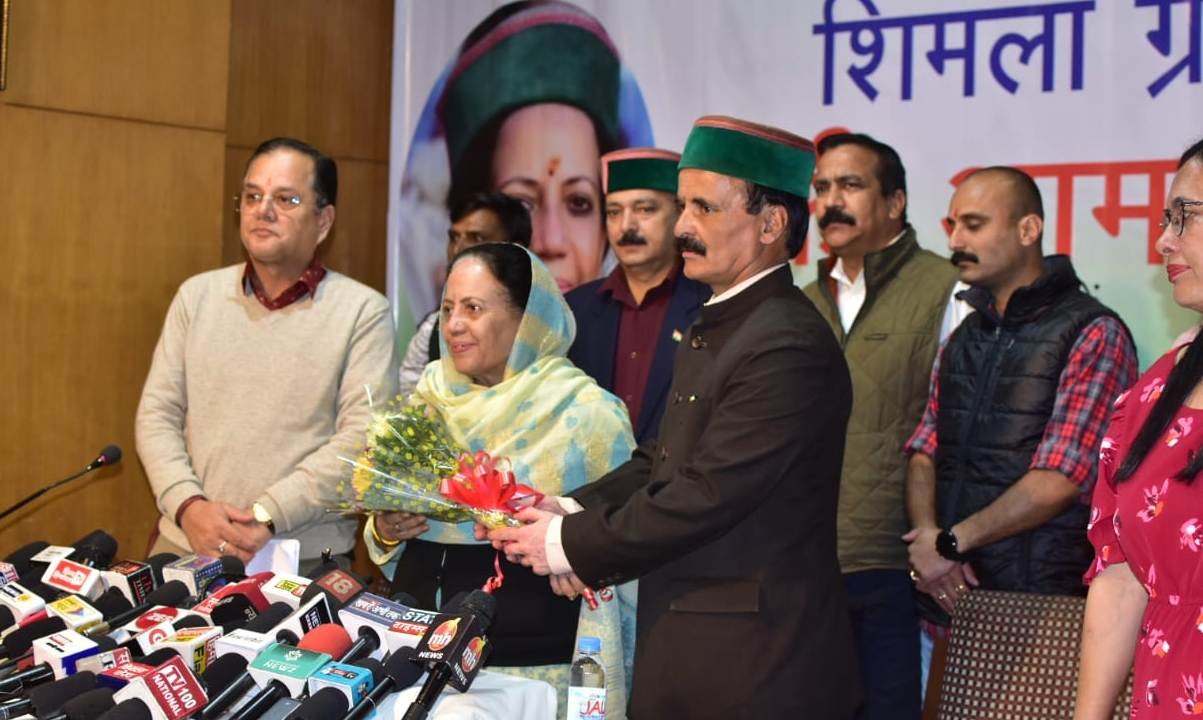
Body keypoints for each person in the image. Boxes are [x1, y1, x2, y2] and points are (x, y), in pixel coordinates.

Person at [487, 116, 862, 718]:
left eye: (704, 208)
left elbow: (707, 495)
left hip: (756, 666)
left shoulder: (785, 342)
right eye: (683, 206)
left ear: (771, 224)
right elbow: (659, 460)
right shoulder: (725, 322)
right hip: (697, 650)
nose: (683, 226)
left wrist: (565, 544)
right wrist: (569, 508)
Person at [367, 244, 636, 714]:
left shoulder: (587, 415)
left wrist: (582, 553)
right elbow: (388, 539)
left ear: (527, 318)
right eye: (448, 308)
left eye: (473, 308)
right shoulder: (425, 404)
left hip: (534, 670)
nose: (453, 325)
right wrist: (385, 530)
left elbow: (627, 541)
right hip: (419, 663)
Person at [904, 167, 1138, 676]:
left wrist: (949, 543)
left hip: (1040, 612)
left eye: (973, 225)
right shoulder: (964, 336)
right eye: (951, 226)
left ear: (1028, 229)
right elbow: (924, 448)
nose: (956, 241)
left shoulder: (1092, 332)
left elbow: (1062, 479)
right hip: (945, 603)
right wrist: (926, 537)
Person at [136, 137, 398, 570]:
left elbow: (361, 441)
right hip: (188, 541)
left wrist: (267, 515)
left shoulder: (362, 311)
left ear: (324, 220)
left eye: (286, 199)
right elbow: (156, 415)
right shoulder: (197, 296)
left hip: (301, 555)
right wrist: (189, 506)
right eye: (252, 196)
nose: (263, 210)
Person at [804, 132, 960, 719]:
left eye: (851, 185)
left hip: (898, 565)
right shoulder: (802, 300)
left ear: (895, 202)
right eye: (822, 188)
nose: (831, 202)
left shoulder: (947, 289)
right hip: (806, 561)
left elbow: (954, 426)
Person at [1075, 139, 1203, 720]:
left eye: (1185, 216)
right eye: (1164, 220)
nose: (1163, 242)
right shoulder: (1155, 391)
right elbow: (1121, 574)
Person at [437, 1, 635, 294]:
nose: (551, 242)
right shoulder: (442, 325)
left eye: (579, 203)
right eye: (522, 205)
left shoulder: (645, 326)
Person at [566, 148, 710, 444]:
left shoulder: (712, 305)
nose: (626, 226)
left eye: (644, 210)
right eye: (614, 212)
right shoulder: (574, 310)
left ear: (680, 215)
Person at [398, 191, 531, 397]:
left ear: (516, 248)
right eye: (454, 237)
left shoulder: (548, 329)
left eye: (476, 237)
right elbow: (408, 401)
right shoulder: (432, 329)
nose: (458, 249)